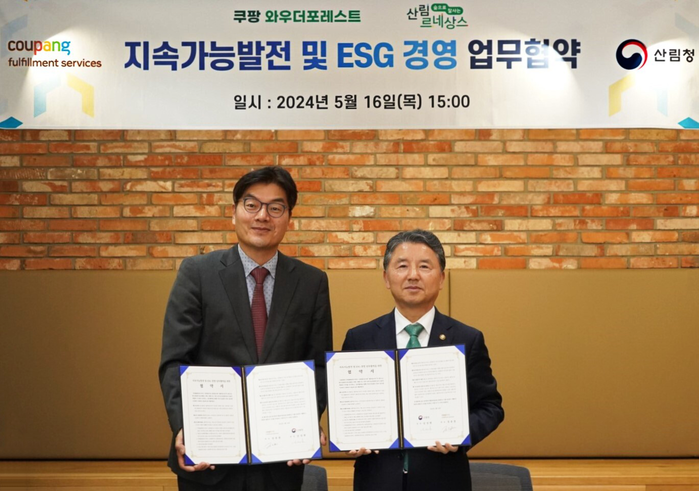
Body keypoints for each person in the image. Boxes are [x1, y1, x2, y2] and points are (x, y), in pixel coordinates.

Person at [159, 166, 333, 491]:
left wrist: (308, 420)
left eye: (275, 208)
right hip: (209, 459)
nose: (262, 216)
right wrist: (185, 427)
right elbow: (175, 361)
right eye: (252, 205)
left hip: (280, 463)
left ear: (289, 217)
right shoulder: (197, 273)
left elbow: (319, 365)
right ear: (234, 211)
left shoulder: (311, 283)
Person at [342, 229, 504, 491]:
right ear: (386, 278)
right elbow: (349, 408)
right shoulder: (360, 339)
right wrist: (351, 435)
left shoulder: (467, 339)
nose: (413, 275)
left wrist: (460, 434)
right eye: (402, 266)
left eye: (424, 266)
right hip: (377, 480)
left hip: (443, 480)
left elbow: (490, 407)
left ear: (441, 279)